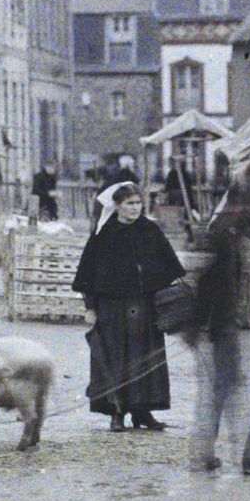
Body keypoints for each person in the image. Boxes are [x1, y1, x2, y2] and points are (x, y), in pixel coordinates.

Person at [72, 181, 180, 432]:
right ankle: (116, 412)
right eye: (130, 204)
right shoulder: (104, 235)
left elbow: (168, 267)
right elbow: (88, 273)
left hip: (144, 307)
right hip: (112, 308)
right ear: (117, 206)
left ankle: (143, 412)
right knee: (114, 358)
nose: (135, 208)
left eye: (138, 203)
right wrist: (90, 307)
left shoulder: (150, 230)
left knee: (144, 357)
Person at [180, 212, 250, 475]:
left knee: (220, 395)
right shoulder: (226, 258)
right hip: (220, 335)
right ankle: (233, 451)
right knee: (224, 394)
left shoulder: (220, 255)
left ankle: (212, 452)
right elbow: (217, 300)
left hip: (215, 333)